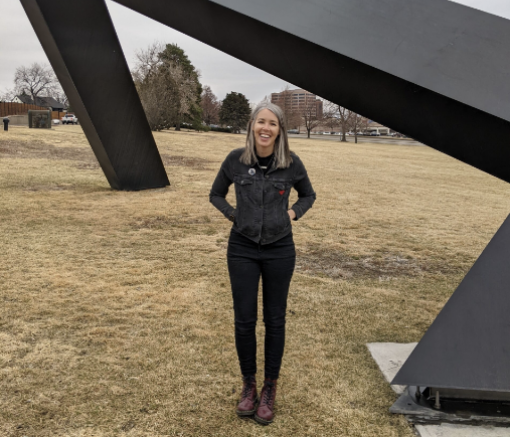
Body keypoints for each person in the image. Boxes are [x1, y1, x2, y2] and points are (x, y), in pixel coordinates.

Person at [209, 102, 316, 424]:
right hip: (241, 248)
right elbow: (216, 194)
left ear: (280, 130)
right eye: (261, 122)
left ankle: (270, 388)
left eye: (272, 124)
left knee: (275, 320)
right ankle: (248, 386)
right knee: (244, 320)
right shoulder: (236, 160)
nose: (265, 128)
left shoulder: (292, 164)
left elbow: (308, 195)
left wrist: (292, 213)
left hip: (279, 249)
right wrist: (234, 215)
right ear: (252, 125)